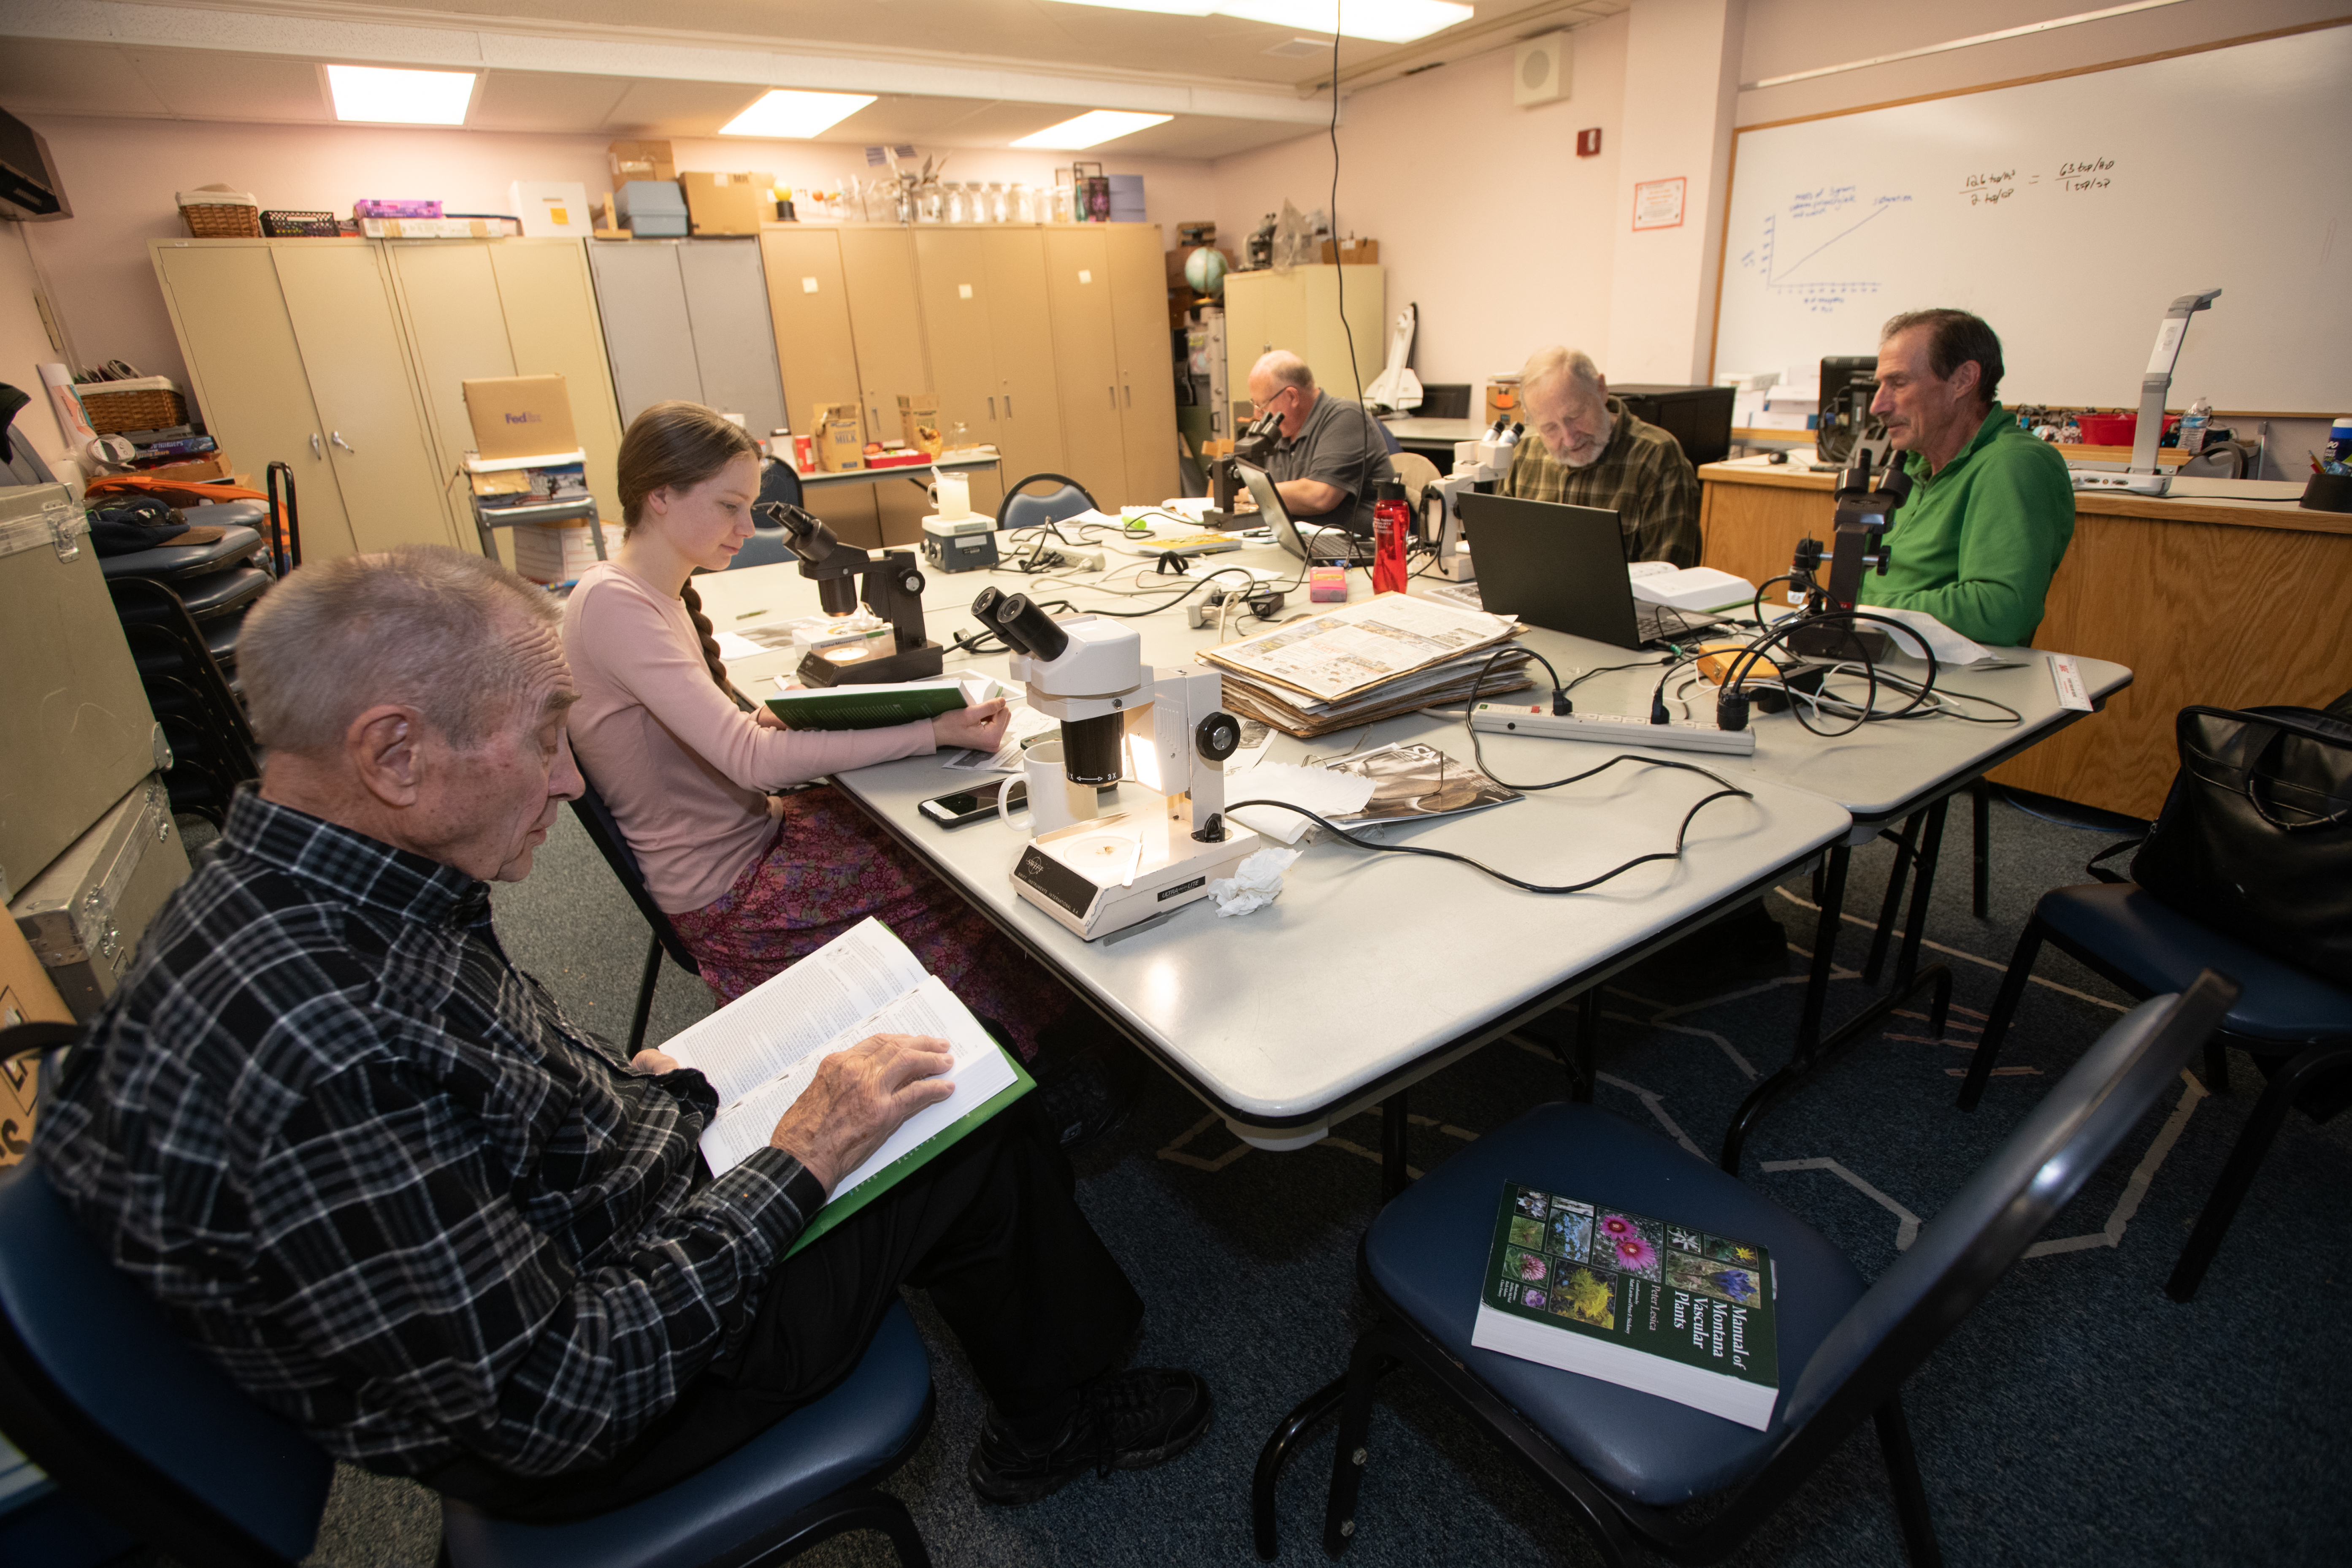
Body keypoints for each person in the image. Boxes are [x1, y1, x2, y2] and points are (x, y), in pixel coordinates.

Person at [35, 545, 1210, 1522]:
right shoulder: (326, 1044)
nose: (564, 784)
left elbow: (465, 1084)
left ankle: (1008, 1316)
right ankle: (1050, 1425)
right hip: (599, 1410)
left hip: (564, 1237)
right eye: (545, 737)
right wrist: (796, 1161)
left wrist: (618, 1086)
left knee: (906, 1065)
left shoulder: (305, 882)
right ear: (394, 754)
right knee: (967, 1103)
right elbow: (566, 1398)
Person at [561, 401, 1082, 1074]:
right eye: (729, 507)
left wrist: (800, 717)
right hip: (730, 891)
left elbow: (714, 742)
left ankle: (1022, 1031)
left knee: (936, 818)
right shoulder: (618, 604)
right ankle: (1008, 1052)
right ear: (660, 496)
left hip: (747, 838)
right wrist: (927, 730)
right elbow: (750, 762)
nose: (745, 528)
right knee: (968, 870)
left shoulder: (648, 591)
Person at [1856, 308, 2074, 647]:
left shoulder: (2013, 464)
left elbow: (2000, 611)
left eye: (1898, 383)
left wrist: (1860, 610)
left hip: (1944, 680)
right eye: (1880, 386)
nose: (1877, 406)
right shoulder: (1914, 463)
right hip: (1879, 651)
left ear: (1962, 381)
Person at [1499, 347, 1700, 568]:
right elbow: (1505, 555)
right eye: (1550, 429)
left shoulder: (1657, 458)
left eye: (1575, 416)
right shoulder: (1526, 455)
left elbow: (1668, 583)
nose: (1569, 440)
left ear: (1602, 390)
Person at [1246, 349, 1396, 537]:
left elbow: (1319, 496)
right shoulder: (1280, 432)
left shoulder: (1347, 418)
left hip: (1356, 552)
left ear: (1292, 397)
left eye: (1263, 406)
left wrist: (1252, 493)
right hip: (1298, 545)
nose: (1259, 416)